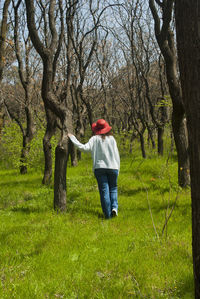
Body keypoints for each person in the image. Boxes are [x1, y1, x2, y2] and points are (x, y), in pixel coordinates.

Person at [68, 119, 120, 219]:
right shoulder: (112, 139)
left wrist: (73, 138)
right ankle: (114, 208)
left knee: (104, 191)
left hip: (99, 168)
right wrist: (118, 168)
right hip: (113, 167)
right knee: (113, 189)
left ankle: (108, 216)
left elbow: (84, 148)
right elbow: (116, 155)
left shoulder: (94, 139)